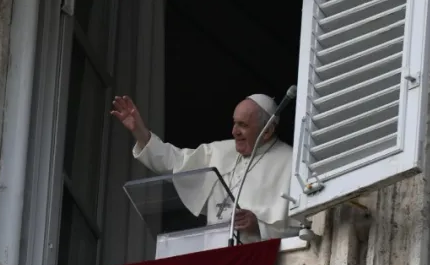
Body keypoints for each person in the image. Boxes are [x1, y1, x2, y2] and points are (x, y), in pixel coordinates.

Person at [111, 94, 295, 244]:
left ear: (268, 131)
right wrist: (140, 131)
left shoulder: (290, 163)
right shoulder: (220, 151)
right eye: (234, 123)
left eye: (243, 125)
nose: (234, 131)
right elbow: (174, 161)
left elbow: (306, 226)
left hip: (258, 261)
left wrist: (260, 227)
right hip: (214, 256)